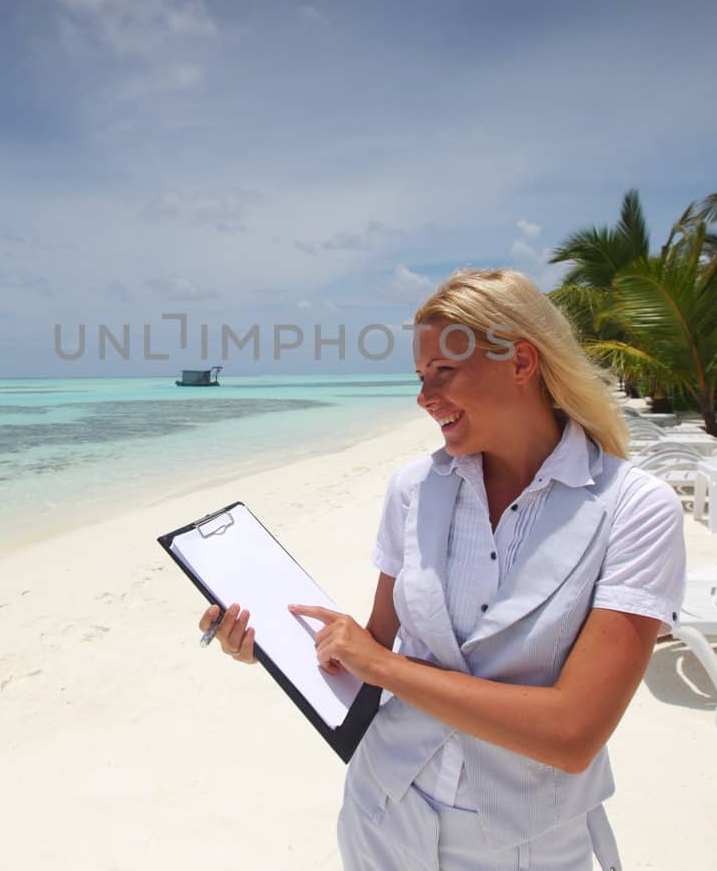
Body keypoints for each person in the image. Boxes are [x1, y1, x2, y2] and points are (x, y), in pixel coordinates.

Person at [199, 268, 686, 870]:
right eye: (421, 376)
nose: (425, 397)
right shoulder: (413, 489)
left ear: (521, 362)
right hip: (384, 811)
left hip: (526, 846)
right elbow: (373, 652)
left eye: (444, 372)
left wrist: (382, 664)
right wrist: (272, 647)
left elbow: (573, 733)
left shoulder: (634, 510)